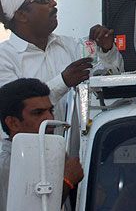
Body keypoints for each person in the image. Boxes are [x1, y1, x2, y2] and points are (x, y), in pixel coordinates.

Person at [0, 0, 123, 120]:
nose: (53, 3)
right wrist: (63, 82)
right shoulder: (4, 58)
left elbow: (110, 83)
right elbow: (15, 109)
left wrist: (107, 51)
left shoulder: (71, 45)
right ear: (21, 15)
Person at [0, 78, 84, 211]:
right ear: (13, 123)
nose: (50, 118)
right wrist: (67, 181)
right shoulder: (7, 167)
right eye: (38, 113)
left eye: (50, 111)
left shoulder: (49, 155)